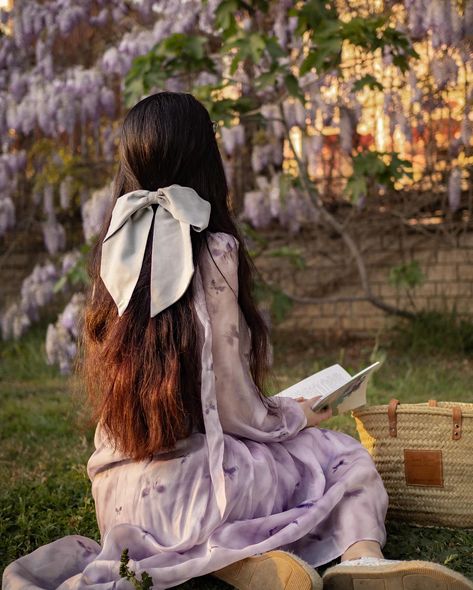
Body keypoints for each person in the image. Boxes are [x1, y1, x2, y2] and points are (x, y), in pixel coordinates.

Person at [3, 92, 472, 590]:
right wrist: (297, 414)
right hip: (205, 497)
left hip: (122, 501)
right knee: (338, 455)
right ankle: (363, 560)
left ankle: (228, 563)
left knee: (266, 461)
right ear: (208, 161)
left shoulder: (115, 251)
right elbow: (234, 411)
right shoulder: (216, 250)